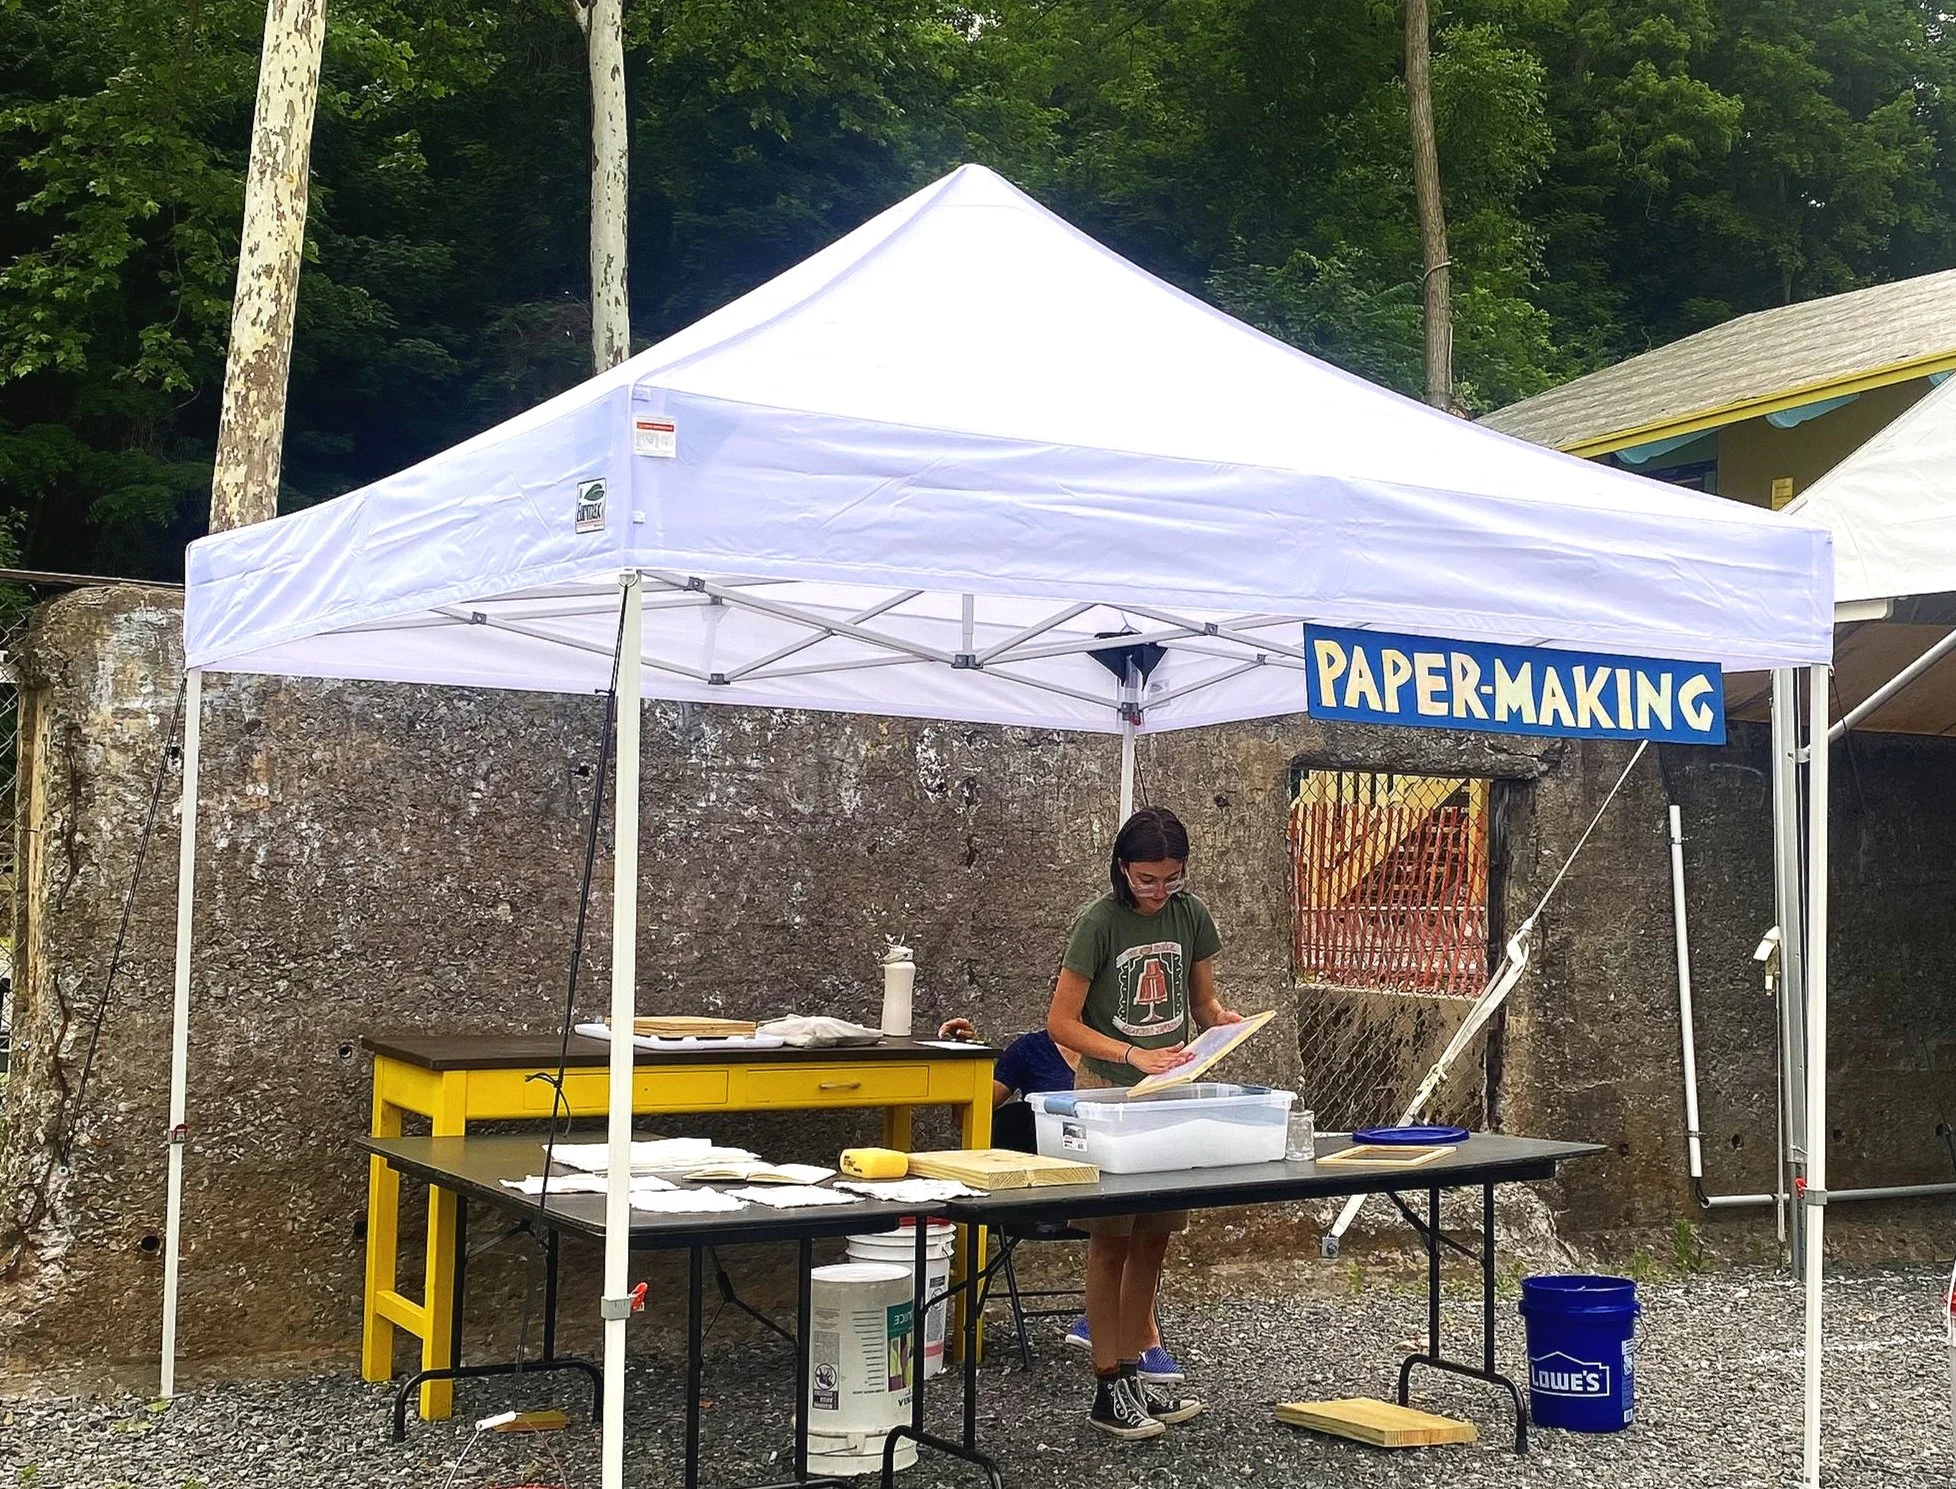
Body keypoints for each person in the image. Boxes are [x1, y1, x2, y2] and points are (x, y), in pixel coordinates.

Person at [1045, 805, 1241, 1440]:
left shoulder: (1192, 916)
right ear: (1122, 869)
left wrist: (1226, 1024)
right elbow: (1062, 1024)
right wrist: (1131, 1053)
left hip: (1168, 1091)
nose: (1159, 892)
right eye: (1147, 880)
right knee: (1110, 1240)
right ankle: (1106, 1384)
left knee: (1154, 1237)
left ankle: (1134, 1372)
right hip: (1107, 1091)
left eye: (1171, 879)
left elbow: (1204, 1003)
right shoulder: (1097, 923)